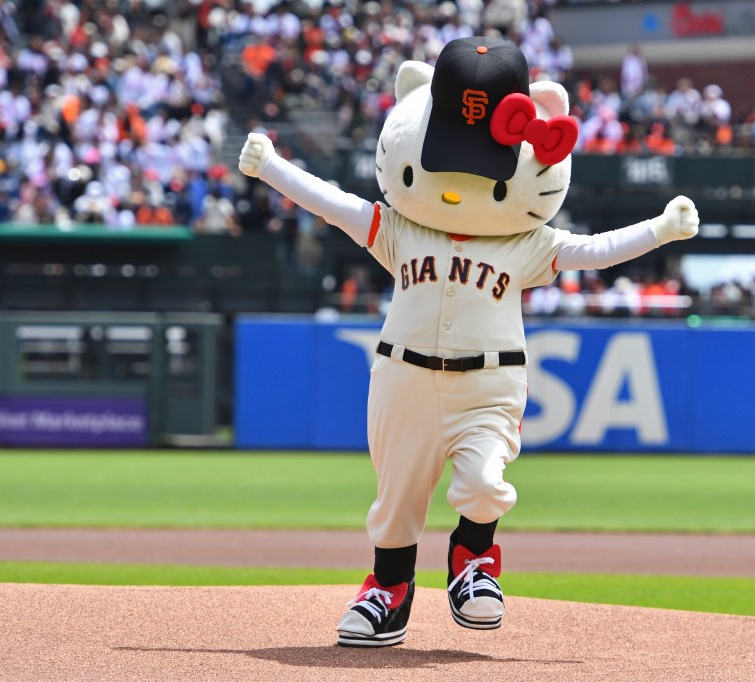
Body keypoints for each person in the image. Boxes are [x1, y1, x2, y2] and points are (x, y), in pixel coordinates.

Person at [239, 36, 699, 648]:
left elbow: (593, 252)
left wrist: (659, 231)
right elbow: (336, 206)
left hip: (488, 383)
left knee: (484, 483)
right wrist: (273, 168)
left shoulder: (527, 243)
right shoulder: (399, 227)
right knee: (397, 498)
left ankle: (473, 559)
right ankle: (388, 591)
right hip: (402, 379)